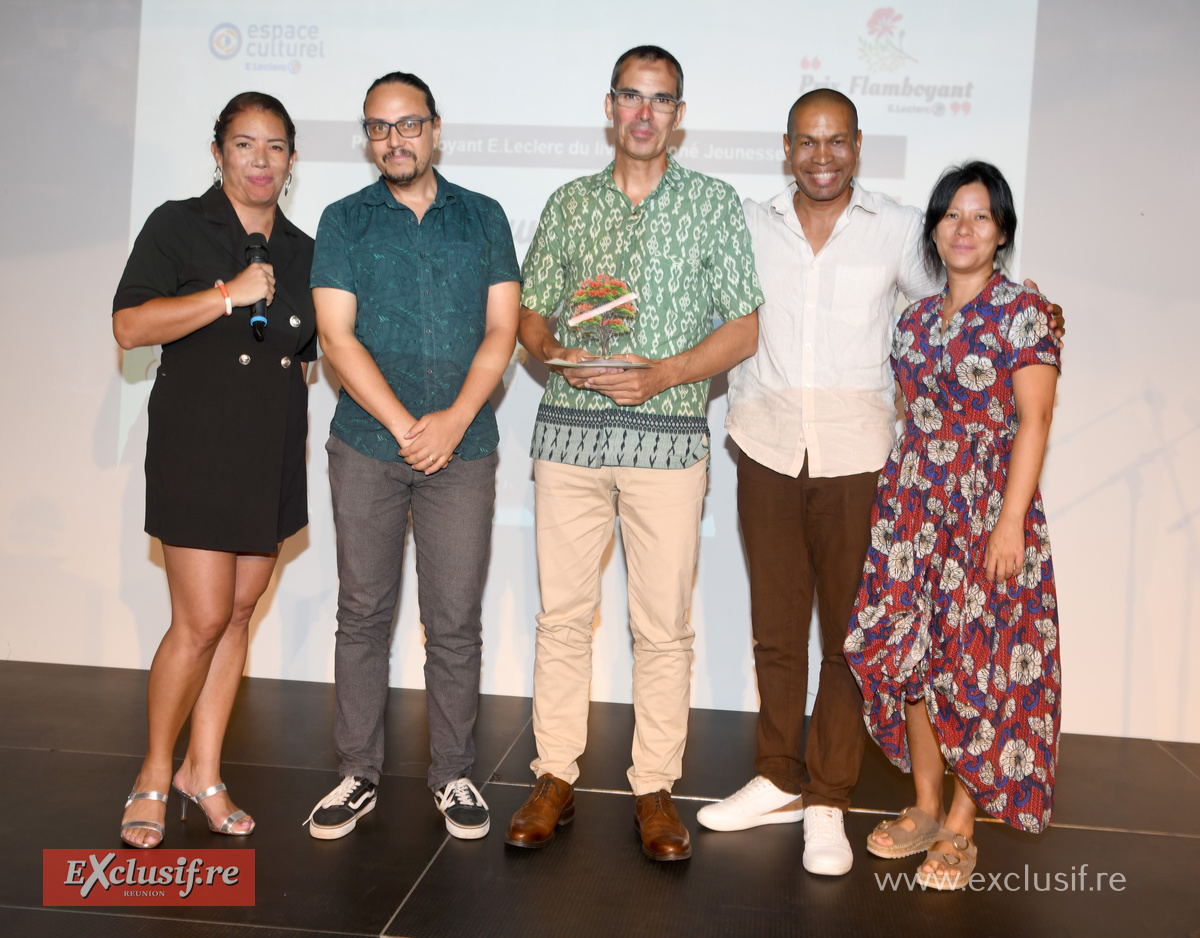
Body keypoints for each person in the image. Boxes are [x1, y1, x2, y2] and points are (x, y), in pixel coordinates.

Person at [702, 89, 1062, 878]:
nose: (822, 155)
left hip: (864, 460)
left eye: (837, 141)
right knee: (775, 628)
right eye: (807, 141)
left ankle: (829, 796)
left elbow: (969, 308)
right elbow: (926, 332)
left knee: (852, 639)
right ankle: (775, 777)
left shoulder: (899, 227)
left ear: (858, 147)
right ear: (787, 145)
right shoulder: (750, 223)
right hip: (768, 444)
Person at [505, 45, 763, 862]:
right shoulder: (571, 203)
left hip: (670, 442)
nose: (645, 114)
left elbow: (746, 325)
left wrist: (666, 375)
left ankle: (654, 787)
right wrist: (551, 352)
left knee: (663, 629)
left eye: (661, 100)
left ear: (679, 116)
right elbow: (530, 312)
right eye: (631, 97)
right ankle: (554, 776)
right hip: (570, 439)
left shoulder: (716, 205)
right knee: (561, 620)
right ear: (609, 106)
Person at [303, 71, 520, 841]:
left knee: (454, 619)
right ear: (368, 138)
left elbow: (502, 331)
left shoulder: (484, 217)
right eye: (378, 127)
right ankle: (356, 773)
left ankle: (454, 773)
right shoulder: (343, 222)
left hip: (464, 450)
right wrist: (405, 425)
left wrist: (455, 419)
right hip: (367, 445)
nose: (394, 139)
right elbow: (335, 337)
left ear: (435, 129)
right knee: (363, 612)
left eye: (408, 124)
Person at [845, 160, 1062, 890]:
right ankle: (926, 806)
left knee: (979, 666)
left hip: (986, 511)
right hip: (910, 509)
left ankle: (964, 826)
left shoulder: (1022, 312)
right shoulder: (912, 318)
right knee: (911, 658)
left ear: (1001, 232)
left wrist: (1008, 526)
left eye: (980, 216)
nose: (963, 229)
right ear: (934, 231)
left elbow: (1034, 421)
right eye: (950, 216)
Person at [112, 92, 315, 847]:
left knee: (236, 616)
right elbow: (130, 325)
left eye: (274, 147)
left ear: (292, 160)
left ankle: (206, 771)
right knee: (197, 620)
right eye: (243, 144)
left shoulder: (302, 248)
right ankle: (153, 775)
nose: (259, 160)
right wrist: (226, 295)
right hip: (197, 450)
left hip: (268, 455)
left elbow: (306, 351)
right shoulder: (177, 225)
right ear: (218, 152)